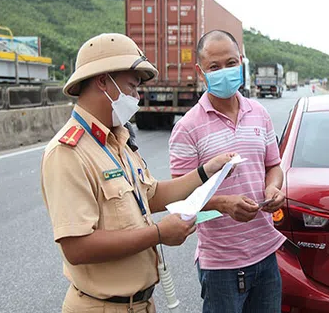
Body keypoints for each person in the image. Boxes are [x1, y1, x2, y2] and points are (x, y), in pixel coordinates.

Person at [40, 33, 235, 313]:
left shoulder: (117, 138)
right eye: (131, 87)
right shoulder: (68, 151)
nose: (136, 96)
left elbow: (151, 195)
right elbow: (77, 247)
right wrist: (158, 233)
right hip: (102, 307)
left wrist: (206, 172)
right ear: (103, 81)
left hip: (140, 304)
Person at [168, 30, 287, 313]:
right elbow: (182, 202)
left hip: (266, 255)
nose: (225, 72)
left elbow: (274, 165)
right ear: (200, 72)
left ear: (241, 63)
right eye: (214, 67)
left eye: (231, 63)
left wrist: (273, 188)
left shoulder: (259, 113)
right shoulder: (187, 128)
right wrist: (223, 204)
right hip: (221, 266)